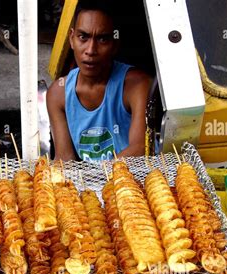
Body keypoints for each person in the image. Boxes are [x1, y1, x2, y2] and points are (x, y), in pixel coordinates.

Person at [46, 0, 152, 162]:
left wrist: (96, 178)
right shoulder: (58, 93)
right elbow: (65, 159)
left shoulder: (136, 85)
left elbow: (139, 150)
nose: (90, 50)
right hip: (89, 184)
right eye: (83, 37)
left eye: (102, 39)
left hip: (134, 183)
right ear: (71, 39)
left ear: (114, 45)